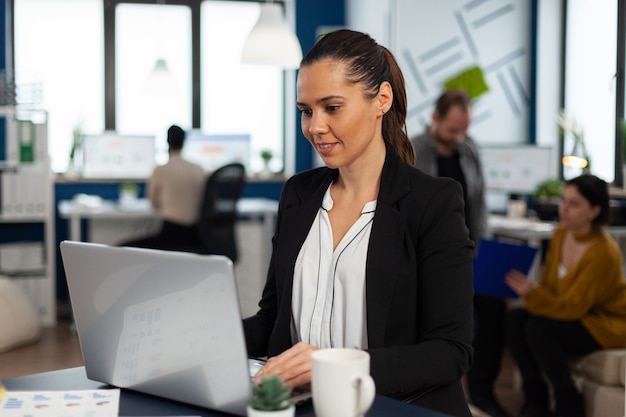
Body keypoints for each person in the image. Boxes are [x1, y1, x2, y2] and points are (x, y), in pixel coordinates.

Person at [242, 29, 475, 417]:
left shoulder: (432, 202)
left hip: (393, 407)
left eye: (332, 107)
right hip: (306, 407)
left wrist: (333, 366)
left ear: (381, 99)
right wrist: (206, 338)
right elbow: (273, 319)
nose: (315, 126)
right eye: (306, 110)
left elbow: (450, 352)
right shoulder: (298, 195)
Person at [411, 90, 509, 417]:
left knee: (494, 308)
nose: (458, 136)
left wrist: (479, 246)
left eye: (463, 129)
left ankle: (483, 392)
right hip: (425, 254)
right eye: (452, 129)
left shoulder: (469, 149)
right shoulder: (412, 149)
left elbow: (478, 204)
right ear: (435, 119)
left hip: (466, 252)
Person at [505, 174, 626, 417]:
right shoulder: (560, 234)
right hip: (572, 314)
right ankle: (535, 400)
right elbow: (550, 287)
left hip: (603, 322)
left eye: (574, 204)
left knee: (539, 328)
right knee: (515, 319)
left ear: (594, 211)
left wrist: (532, 293)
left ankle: (568, 403)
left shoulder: (604, 252)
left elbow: (573, 308)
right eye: (563, 201)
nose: (564, 209)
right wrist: (533, 294)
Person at [121, 124, 206, 250]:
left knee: (123, 248)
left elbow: (154, 204)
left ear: (167, 142)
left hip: (171, 235)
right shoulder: (199, 169)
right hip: (196, 237)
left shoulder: (160, 170)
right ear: (184, 142)